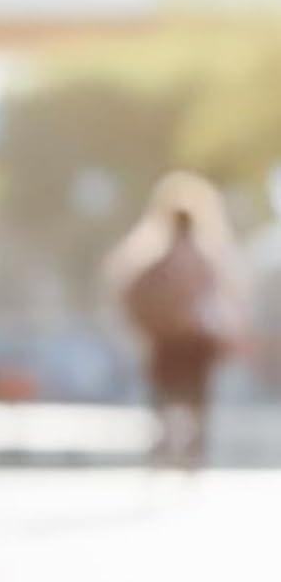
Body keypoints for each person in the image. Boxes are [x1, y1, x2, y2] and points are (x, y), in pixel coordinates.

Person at [106, 171, 247, 468]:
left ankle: (182, 449)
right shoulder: (162, 256)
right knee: (181, 400)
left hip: (182, 341)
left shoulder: (174, 256)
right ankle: (181, 448)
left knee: (180, 399)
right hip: (179, 340)